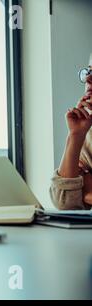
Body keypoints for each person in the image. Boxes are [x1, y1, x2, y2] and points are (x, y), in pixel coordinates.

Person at [50, 61, 92, 210]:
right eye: (89, 71)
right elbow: (64, 201)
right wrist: (75, 135)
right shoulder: (89, 136)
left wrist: (85, 191)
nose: (88, 79)